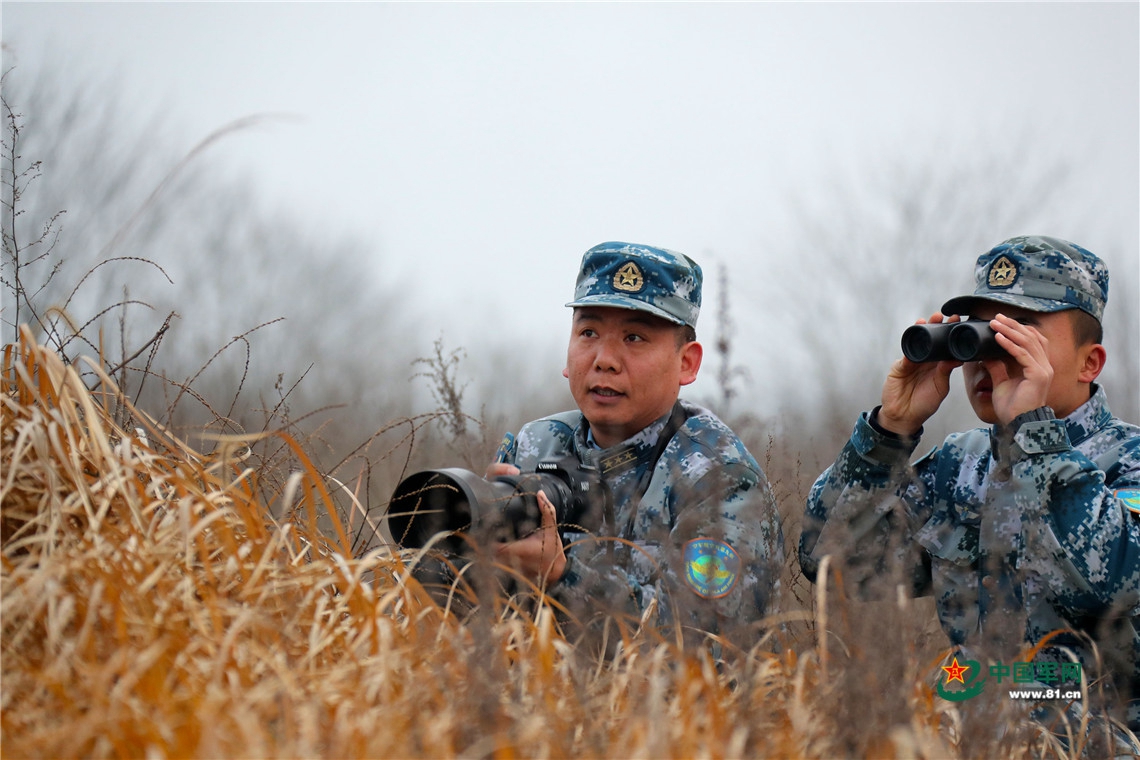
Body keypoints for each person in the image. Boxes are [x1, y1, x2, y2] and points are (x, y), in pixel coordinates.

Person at [798, 235, 1140, 736]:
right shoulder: (963, 463)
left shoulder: (1128, 462)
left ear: (1090, 362)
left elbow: (1118, 586)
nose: (990, 354)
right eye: (979, 331)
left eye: (1018, 331)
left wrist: (1035, 438)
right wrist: (889, 433)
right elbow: (832, 564)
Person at [491, 241, 783, 649]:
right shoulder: (533, 446)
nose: (605, 359)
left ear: (687, 363)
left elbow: (703, 644)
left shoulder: (719, 478)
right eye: (588, 333)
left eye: (634, 337)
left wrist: (560, 576)